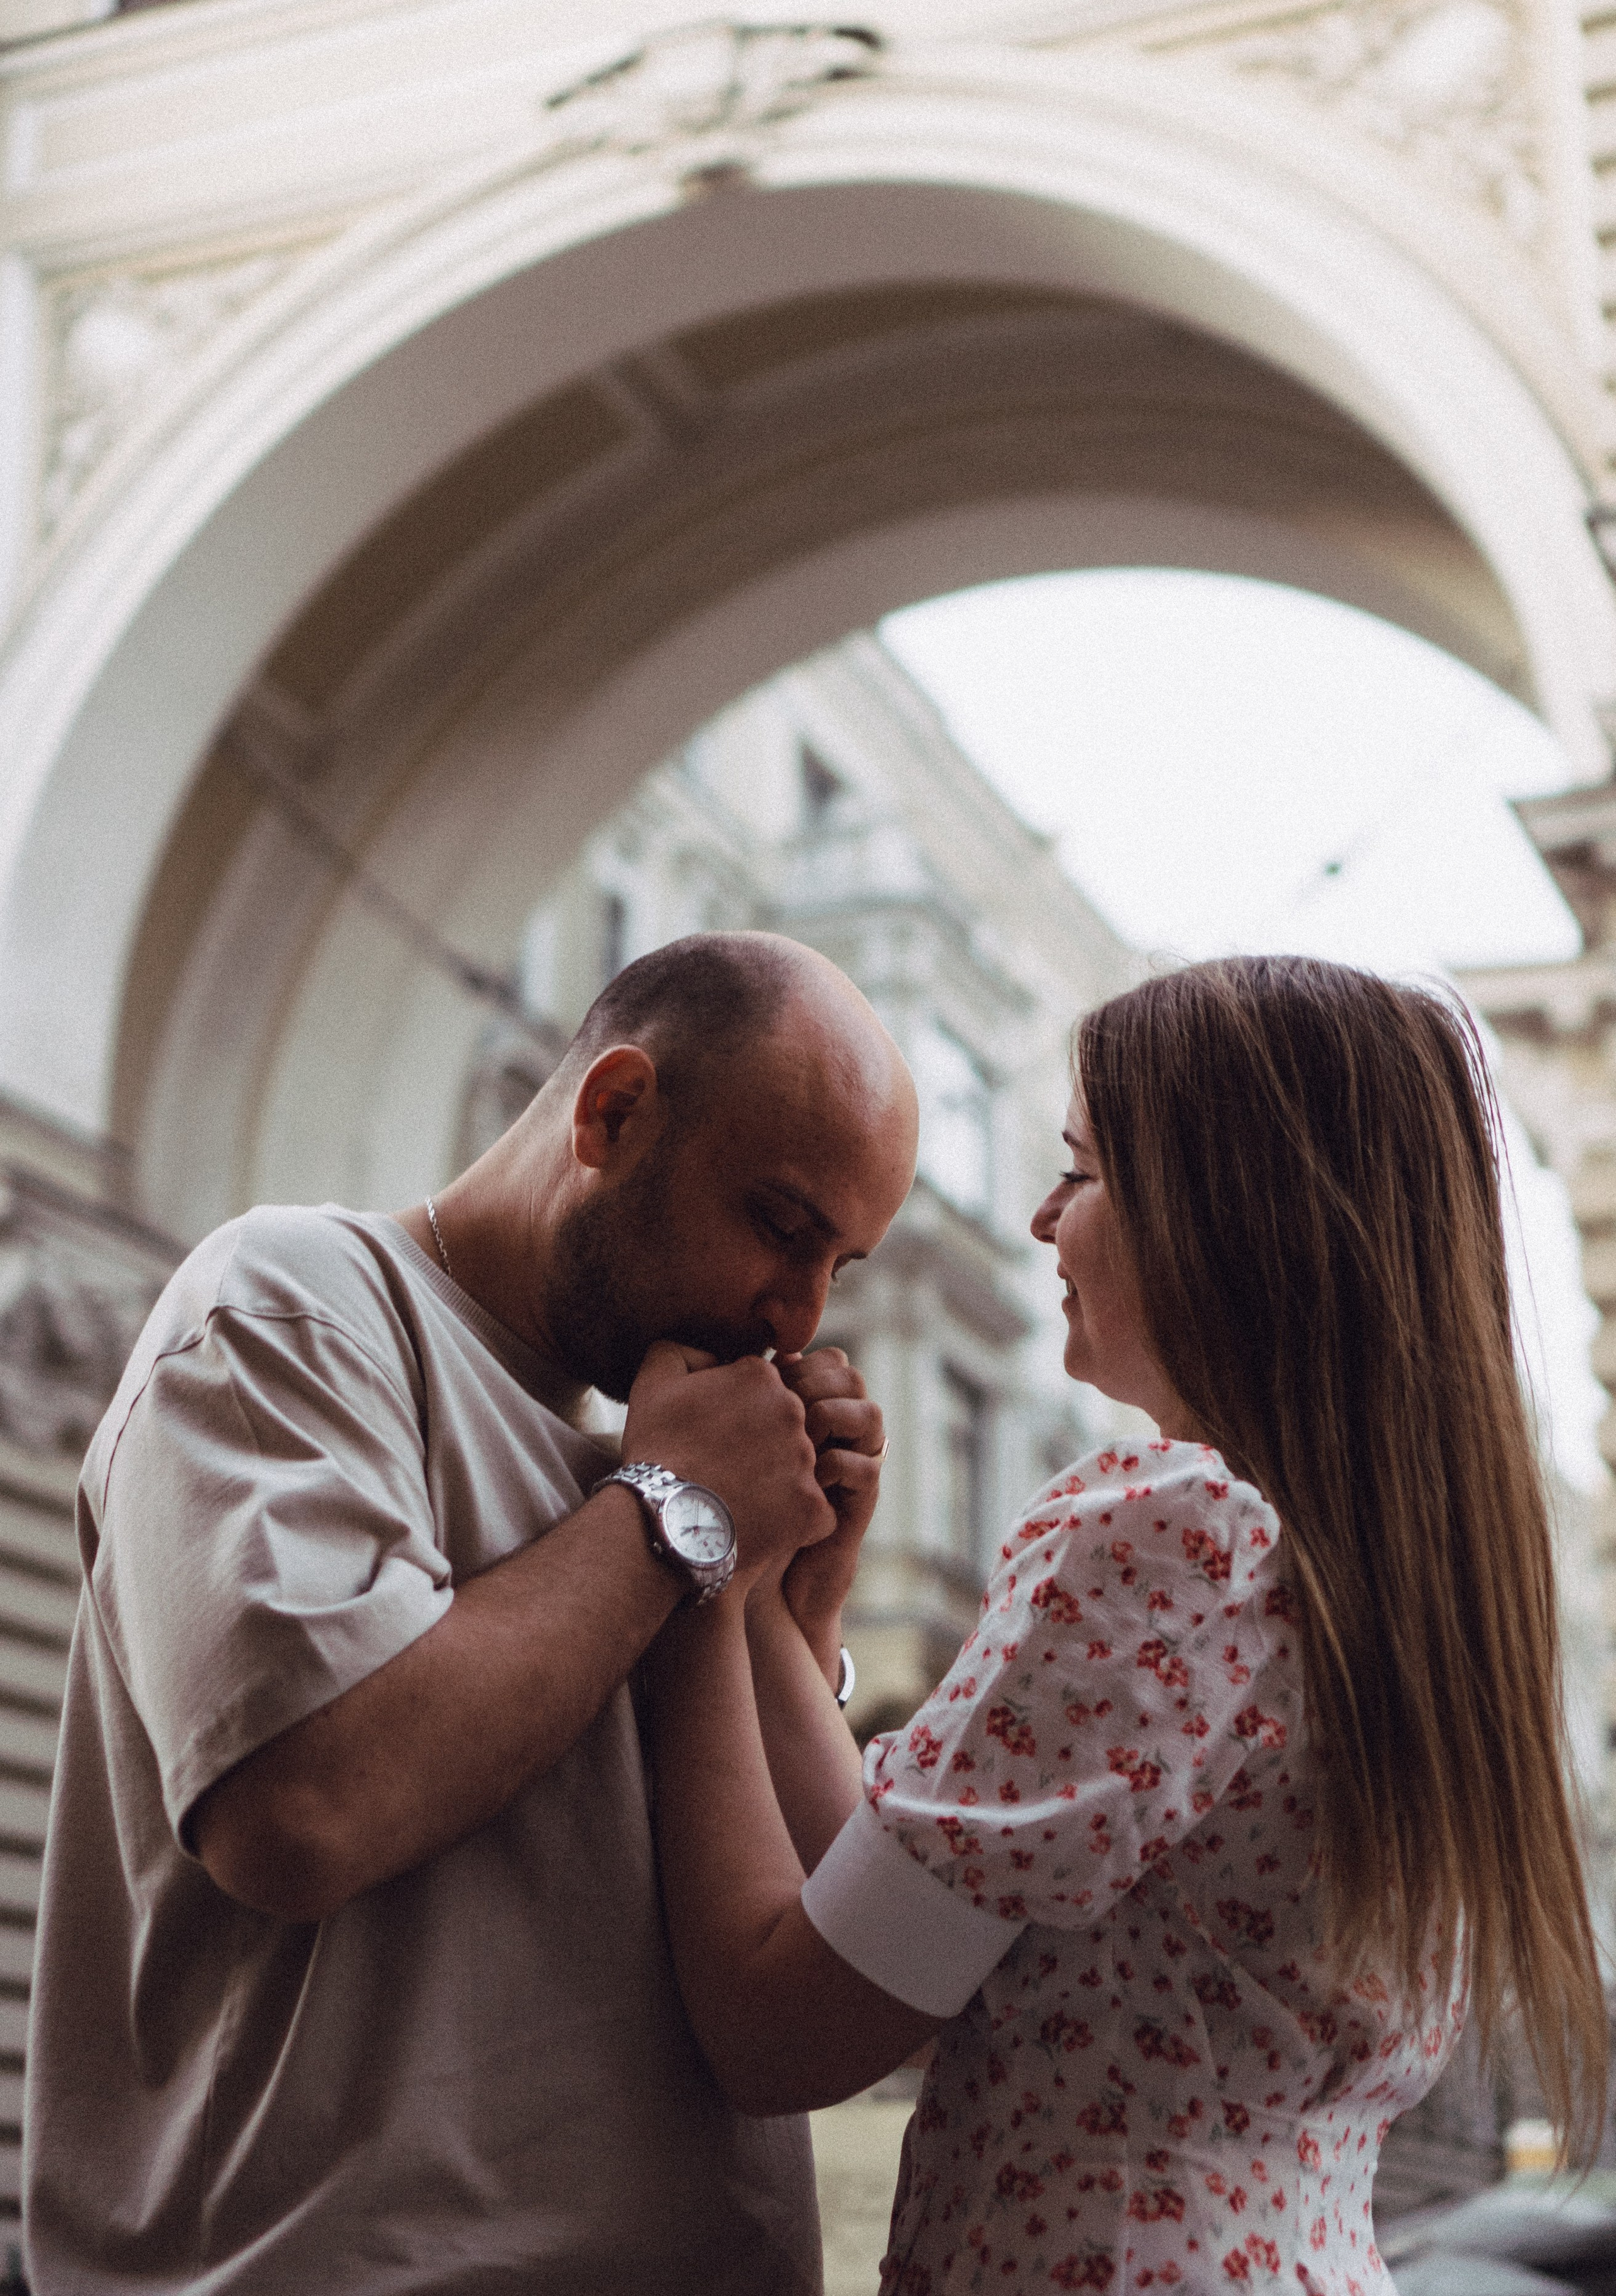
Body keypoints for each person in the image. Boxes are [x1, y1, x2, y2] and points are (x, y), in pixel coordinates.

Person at [646, 954, 1608, 2295]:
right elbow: (893, 1936)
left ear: (1230, 1214)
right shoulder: (1399, 1592)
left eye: (1081, 1172)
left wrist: (688, 1536)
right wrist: (783, 1605)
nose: (1042, 1218)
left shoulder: (1171, 1535)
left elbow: (781, 2032)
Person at [24, 931, 918, 2295]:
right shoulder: (296, 1303)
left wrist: (793, 1612)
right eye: (780, 1229)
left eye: (837, 1268)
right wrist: (676, 1510)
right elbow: (303, 1811)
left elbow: (824, 1990)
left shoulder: (672, 1451)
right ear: (613, 1113)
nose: (795, 1320)